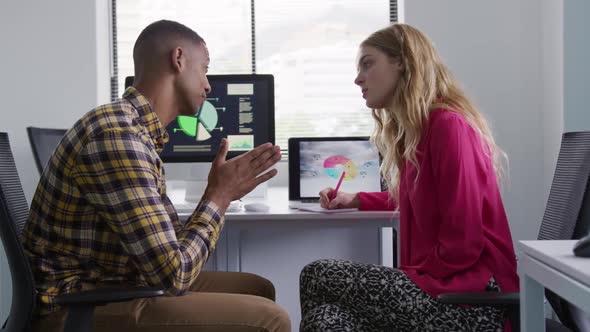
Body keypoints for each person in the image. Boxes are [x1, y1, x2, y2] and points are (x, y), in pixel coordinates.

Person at [23, 20, 290, 332]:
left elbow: (167, 250)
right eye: (204, 69)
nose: (208, 85)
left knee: (257, 289)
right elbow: (174, 275)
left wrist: (217, 193)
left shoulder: (133, 130)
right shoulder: (118, 136)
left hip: (114, 283)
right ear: (178, 59)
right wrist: (219, 197)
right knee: (270, 319)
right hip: (78, 304)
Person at [299, 23, 518, 332]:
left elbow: (464, 244)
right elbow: (420, 197)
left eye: (368, 63)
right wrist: (356, 199)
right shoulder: (418, 133)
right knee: (327, 320)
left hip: (475, 303)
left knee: (318, 274)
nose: (358, 78)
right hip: (439, 290)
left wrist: (410, 276)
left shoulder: (449, 127)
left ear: (401, 62)